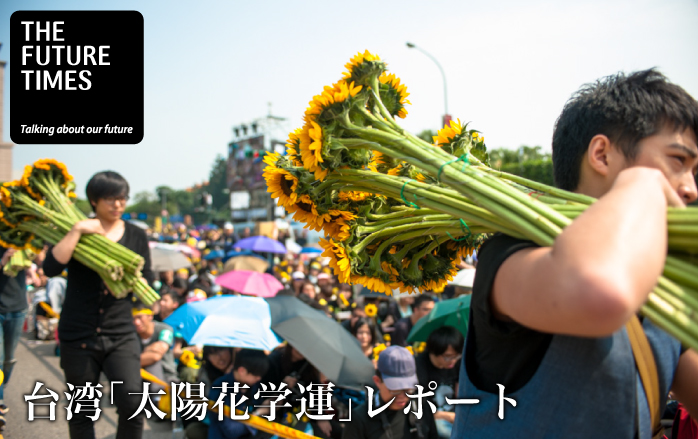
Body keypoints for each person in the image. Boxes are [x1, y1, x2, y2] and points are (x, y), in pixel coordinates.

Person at [452, 69, 698, 438]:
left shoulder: (666, 280)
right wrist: (642, 183)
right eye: (678, 161)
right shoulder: (511, 253)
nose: (691, 188)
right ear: (601, 154)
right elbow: (598, 291)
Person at [43, 170, 153, 439]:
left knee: (132, 404)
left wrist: (144, 312)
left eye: (122, 198)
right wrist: (78, 230)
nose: (117, 205)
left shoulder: (136, 235)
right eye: (110, 199)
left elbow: (147, 277)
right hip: (79, 334)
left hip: (121, 332)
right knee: (82, 411)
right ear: (94, 200)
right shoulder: (77, 228)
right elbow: (51, 267)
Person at [342, 346, 438, 439]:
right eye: (395, 390)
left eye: (408, 390)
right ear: (377, 381)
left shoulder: (422, 406)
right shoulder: (360, 418)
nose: (402, 396)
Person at [207, 349, 270, 439]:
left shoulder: (252, 384)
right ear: (242, 371)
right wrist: (257, 414)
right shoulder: (219, 389)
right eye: (256, 376)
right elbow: (231, 431)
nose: (258, 379)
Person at [414, 326, 463, 439]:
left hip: (455, 416)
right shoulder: (420, 367)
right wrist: (447, 416)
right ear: (433, 351)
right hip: (433, 418)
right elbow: (421, 408)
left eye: (457, 356)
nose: (453, 361)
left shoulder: (456, 363)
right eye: (447, 357)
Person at [0, 248, 29, 429]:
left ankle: (1, 389)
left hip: (17, 308)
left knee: (9, 360)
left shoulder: (22, 237)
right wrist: (2, 262)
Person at [132, 303, 177, 387]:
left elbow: (156, 355)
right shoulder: (132, 335)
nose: (136, 322)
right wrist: (149, 349)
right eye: (133, 319)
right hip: (139, 380)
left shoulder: (165, 329)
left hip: (166, 379)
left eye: (140, 317)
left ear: (150, 316)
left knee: (153, 364)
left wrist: (130, 363)